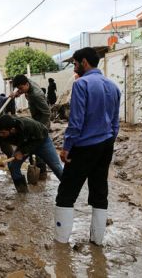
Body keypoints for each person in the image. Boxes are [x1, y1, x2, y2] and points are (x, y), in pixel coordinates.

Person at [54, 47, 121, 246]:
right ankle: (97, 242)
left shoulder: (81, 84)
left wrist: (66, 147)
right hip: (106, 144)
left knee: (66, 193)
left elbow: (76, 121)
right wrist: (109, 140)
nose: (74, 68)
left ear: (84, 62)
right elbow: (115, 123)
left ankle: (61, 245)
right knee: (100, 192)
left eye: (75, 64)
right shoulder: (113, 86)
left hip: (84, 146)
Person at [0, 115, 63, 193]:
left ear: (12, 130)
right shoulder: (0, 133)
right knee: (13, 166)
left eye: (3, 133)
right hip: (23, 144)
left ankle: (70, 188)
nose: (1, 135)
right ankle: (22, 193)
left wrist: (23, 151)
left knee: (56, 167)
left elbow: (41, 138)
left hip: (42, 141)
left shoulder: (28, 125)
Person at [12, 74, 51, 180]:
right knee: (30, 143)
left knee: (38, 147)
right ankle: (34, 164)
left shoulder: (36, 95)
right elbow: (22, 85)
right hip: (35, 117)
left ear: (27, 84)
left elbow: (47, 113)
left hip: (42, 122)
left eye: (20, 88)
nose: (19, 90)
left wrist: (39, 127)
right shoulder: (26, 83)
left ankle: (42, 173)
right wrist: (18, 92)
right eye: (18, 88)